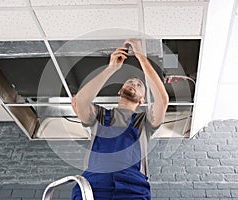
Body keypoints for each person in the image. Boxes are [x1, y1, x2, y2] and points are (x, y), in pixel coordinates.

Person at [71, 39, 169, 200]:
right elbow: (79, 101)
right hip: (94, 183)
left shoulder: (145, 122)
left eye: (139, 85)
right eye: (130, 82)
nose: (134, 84)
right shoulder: (100, 116)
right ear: (120, 90)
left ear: (142, 101)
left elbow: (162, 101)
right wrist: (111, 68)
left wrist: (141, 56)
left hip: (133, 187)